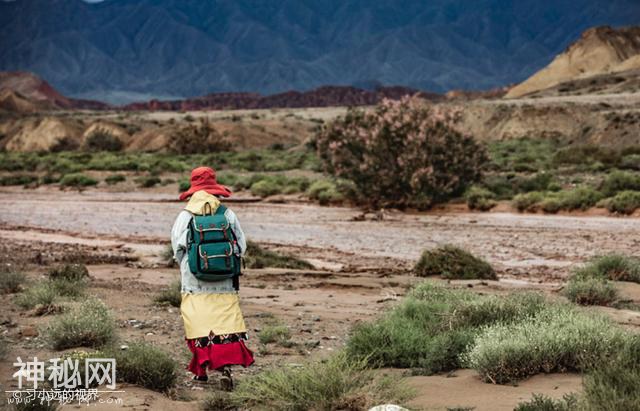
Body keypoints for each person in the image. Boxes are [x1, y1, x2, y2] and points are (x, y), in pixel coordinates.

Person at [171, 166, 254, 389]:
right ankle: (226, 368)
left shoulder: (185, 216)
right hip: (225, 280)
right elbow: (241, 247)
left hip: (194, 282)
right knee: (225, 322)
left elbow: (177, 251)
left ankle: (201, 372)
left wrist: (191, 268)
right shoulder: (227, 214)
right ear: (215, 189)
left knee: (198, 324)